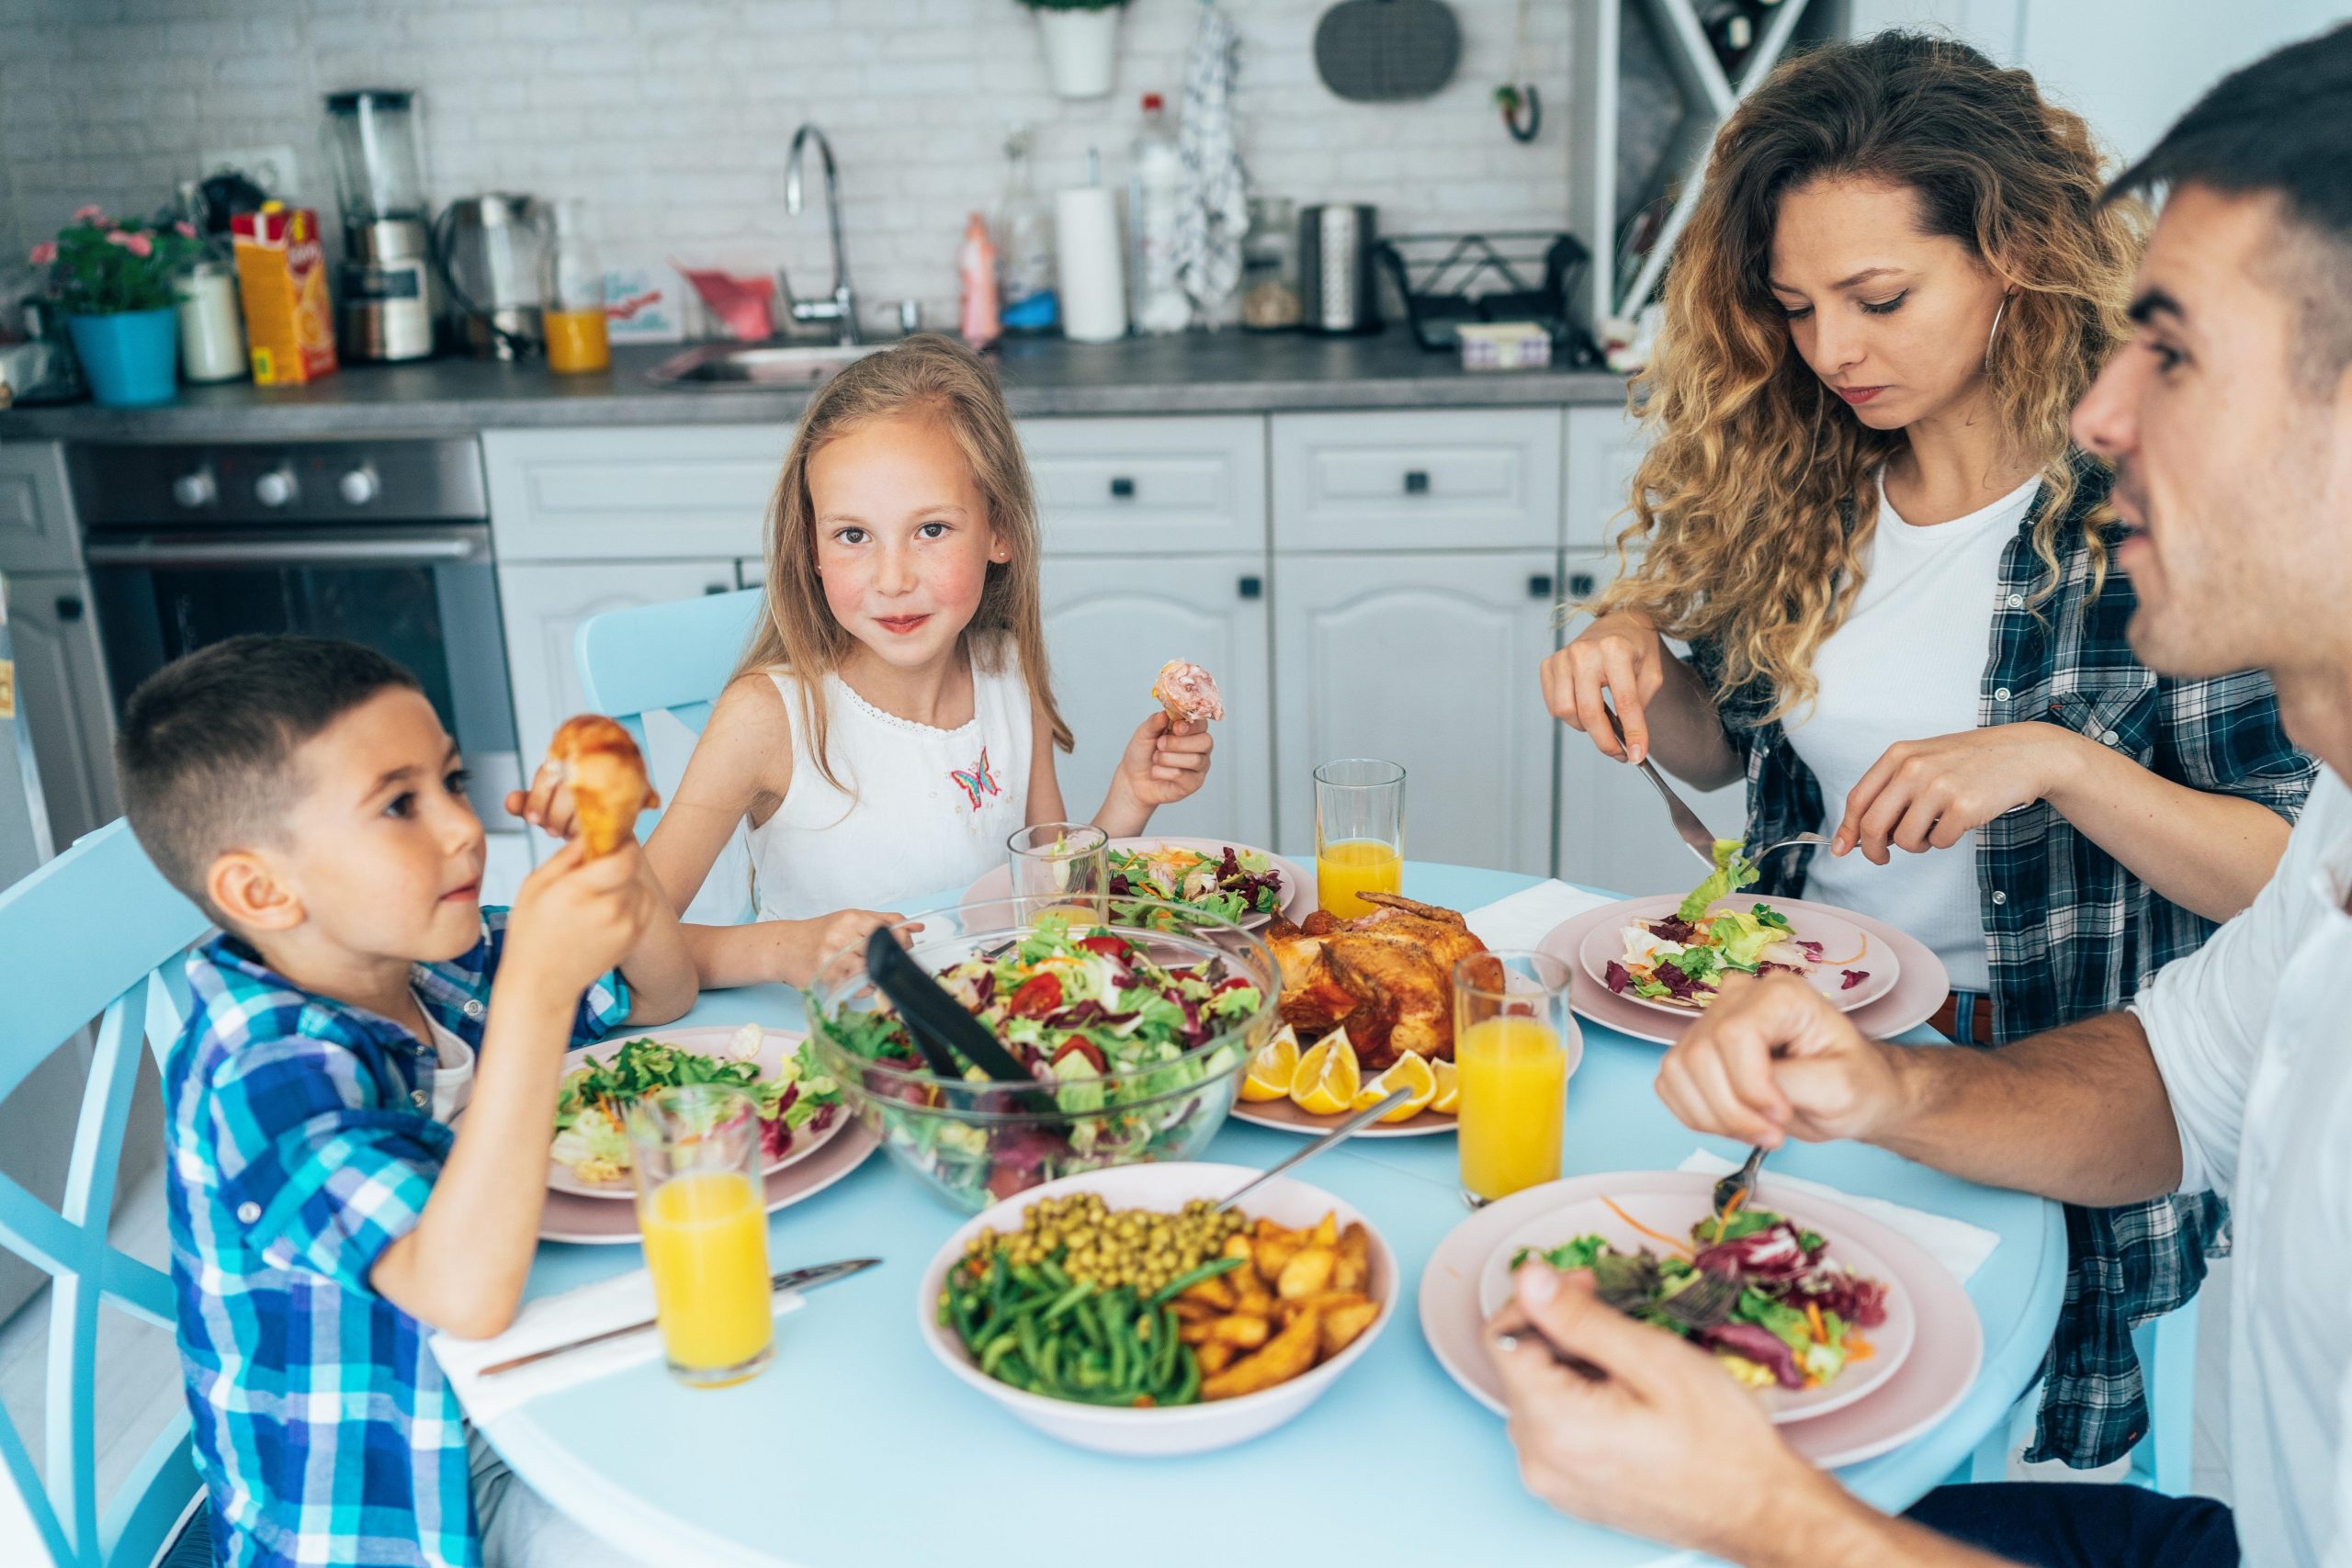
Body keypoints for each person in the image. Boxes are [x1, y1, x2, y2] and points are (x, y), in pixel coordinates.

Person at [1492, 22, 2352, 1566]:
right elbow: (1738, 761)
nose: (1833, 346)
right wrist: (1639, 666)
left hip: (2026, 1062)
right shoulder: (1813, 476)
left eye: (1880, 297)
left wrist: (2054, 763)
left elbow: (2270, 886)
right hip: (1824, 1068)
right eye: (1799, 305)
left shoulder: (2159, 525)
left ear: (2011, 255)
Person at [126, 637, 697, 1568]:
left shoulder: (424, 956)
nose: (464, 827)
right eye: (400, 805)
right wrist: (535, 999)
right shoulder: (257, 1073)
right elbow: (460, 1293)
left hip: (513, 1396)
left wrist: (614, 852)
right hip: (405, 1515)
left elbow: (660, 992)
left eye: (452, 780)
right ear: (261, 889)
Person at [626, 333, 1214, 987]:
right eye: (853, 535)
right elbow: (629, 946)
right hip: (826, 1061)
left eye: (930, 530)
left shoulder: (1009, 673)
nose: (893, 578)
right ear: (811, 550)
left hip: (992, 1046)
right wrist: (782, 950)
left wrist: (1127, 800)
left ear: (1000, 530)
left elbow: (1056, 906)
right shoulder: (767, 718)